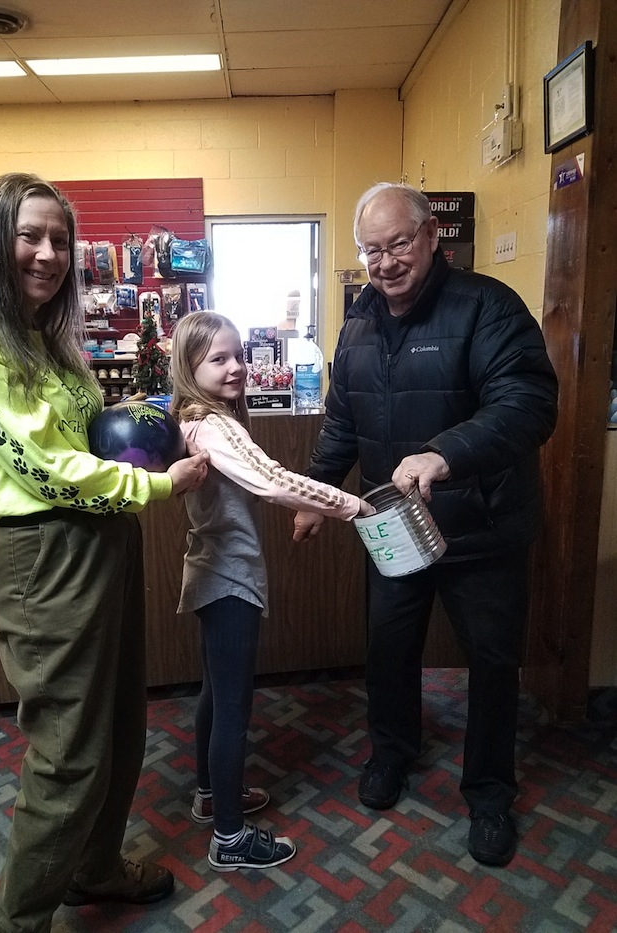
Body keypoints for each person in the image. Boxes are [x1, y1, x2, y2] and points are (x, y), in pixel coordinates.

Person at [0, 172, 209, 933]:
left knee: (118, 724)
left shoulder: (42, 335)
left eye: (60, 240)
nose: (49, 254)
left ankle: (94, 864)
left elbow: (75, 435)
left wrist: (145, 417)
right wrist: (156, 487)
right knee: (68, 754)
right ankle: (15, 921)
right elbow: (39, 464)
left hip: (99, 536)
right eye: (30, 235)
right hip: (42, 554)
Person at [292, 182, 558, 867]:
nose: (385, 262)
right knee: (388, 648)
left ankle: (492, 788)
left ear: (432, 234)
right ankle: (391, 752)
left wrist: (446, 454)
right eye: (371, 250)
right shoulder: (357, 325)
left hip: (483, 527)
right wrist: (316, 491)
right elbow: (343, 424)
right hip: (394, 527)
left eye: (398, 243)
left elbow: (529, 403)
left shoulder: (488, 307)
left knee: (494, 663)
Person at [170, 310, 373, 872]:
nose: (236, 367)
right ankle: (230, 839)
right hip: (226, 579)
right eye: (218, 359)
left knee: (216, 690)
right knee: (233, 706)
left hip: (214, 571)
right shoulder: (213, 426)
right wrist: (345, 503)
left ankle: (212, 796)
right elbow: (273, 479)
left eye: (239, 355)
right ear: (190, 367)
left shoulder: (198, 418)